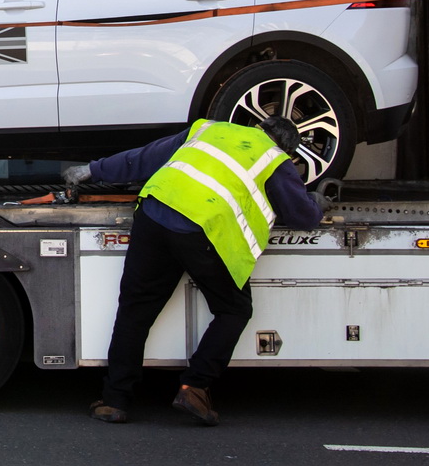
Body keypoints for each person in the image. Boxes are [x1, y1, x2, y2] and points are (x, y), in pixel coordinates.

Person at [63, 115, 321, 427]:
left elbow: (143, 158)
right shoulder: (275, 159)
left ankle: (115, 401)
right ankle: (194, 387)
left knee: (136, 309)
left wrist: (92, 169)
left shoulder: (209, 128)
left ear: (259, 126)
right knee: (233, 309)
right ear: (287, 148)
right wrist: (318, 201)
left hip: (155, 215)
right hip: (203, 231)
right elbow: (303, 216)